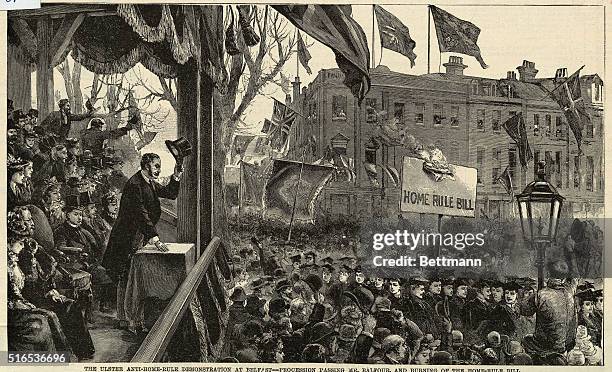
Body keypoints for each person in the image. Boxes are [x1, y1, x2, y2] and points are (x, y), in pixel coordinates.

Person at [102, 153, 182, 331]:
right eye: (156, 166)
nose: (158, 170)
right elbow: (141, 214)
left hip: (137, 235)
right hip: (127, 237)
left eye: (159, 166)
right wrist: (155, 239)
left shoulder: (148, 181)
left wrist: (176, 177)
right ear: (146, 166)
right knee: (129, 277)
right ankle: (130, 319)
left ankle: (127, 318)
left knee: (130, 277)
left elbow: (170, 193)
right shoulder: (135, 184)